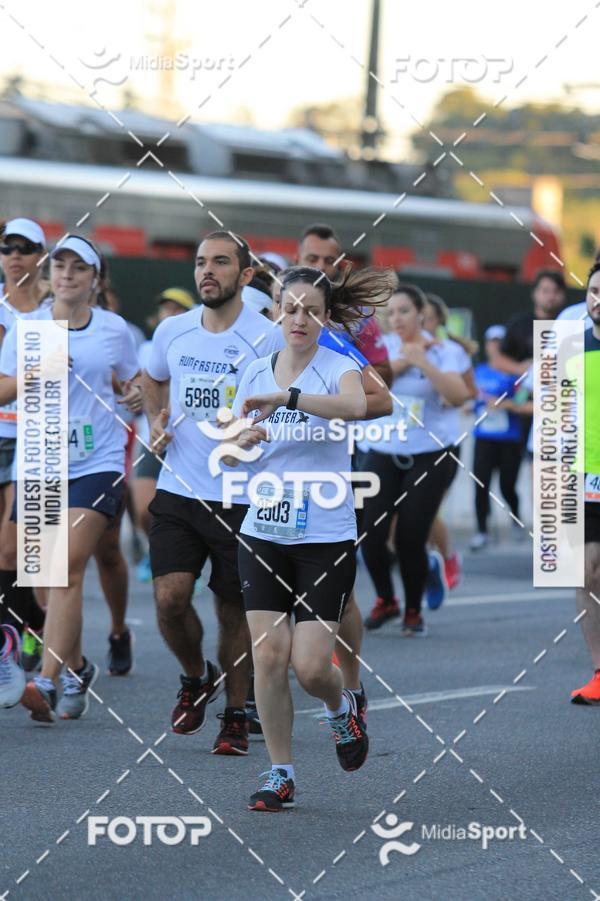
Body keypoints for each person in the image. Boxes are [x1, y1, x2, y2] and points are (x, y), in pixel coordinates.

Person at [225, 264, 394, 811]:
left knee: (310, 667)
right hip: (264, 531)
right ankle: (280, 772)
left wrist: (288, 400)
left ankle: (342, 708)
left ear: (325, 317)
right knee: (269, 658)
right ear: (276, 309)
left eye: (311, 310)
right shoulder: (253, 371)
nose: (299, 318)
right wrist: (244, 440)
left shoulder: (337, 366)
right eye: (290, 307)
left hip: (325, 533)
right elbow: (229, 451)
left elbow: (358, 406)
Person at [143, 231, 284, 756]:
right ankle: (196, 676)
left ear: (245, 276)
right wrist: (156, 418)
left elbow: (290, 404)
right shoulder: (172, 331)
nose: (208, 271)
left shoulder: (266, 337)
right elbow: (153, 377)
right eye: (201, 261)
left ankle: (235, 712)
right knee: (169, 598)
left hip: (244, 495)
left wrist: (265, 431)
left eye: (221, 262)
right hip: (179, 487)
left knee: (233, 612)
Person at [0, 235, 141, 722]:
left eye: (78, 268)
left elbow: (136, 378)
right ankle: (77, 666)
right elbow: (1, 391)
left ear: (95, 280)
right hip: (39, 460)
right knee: (44, 583)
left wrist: (138, 395)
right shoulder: (27, 327)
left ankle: (46, 678)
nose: (65, 274)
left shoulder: (113, 329)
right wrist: (34, 374)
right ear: (48, 273)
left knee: (67, 567)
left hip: (96, 462)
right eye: (58, 265)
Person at [361, 284, 471, 635]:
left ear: (421, 314)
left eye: (404, 311)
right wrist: (407, 358)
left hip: (431, 453)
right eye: (391, 313)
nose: (397, 319)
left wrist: (424, 360)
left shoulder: (445, 351)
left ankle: (412, 610)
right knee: (371, 535)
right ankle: (386, 599)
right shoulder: (383, 348)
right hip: (384, 450)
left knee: (411, 537)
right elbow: (372, 385)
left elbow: (457, 396)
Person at [0, 219, 49, 693]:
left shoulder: (57, 311)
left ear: (41, 256)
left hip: (41, 438)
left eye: (26, 248)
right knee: (7, 549)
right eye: (7, 247)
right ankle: (14, 640)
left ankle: (35, 630)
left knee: (29, 554)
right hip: (1, 433)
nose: (15, 255)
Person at [131, 287, 196, 583]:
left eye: (178, 308)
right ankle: (152, 550)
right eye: (166, 307)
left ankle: (186, 565)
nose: (170, 313)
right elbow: (132, 384)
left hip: (190, 440)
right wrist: (135, 393)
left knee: (191, 511)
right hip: (154, 438)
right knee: (144, 508)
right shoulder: (146, 348)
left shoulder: (196, 344)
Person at [422, 293, 477, 593]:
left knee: (428, 511)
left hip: (442, 442)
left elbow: (470, 390)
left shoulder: (452, 352)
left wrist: (454, 397)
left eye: (428, 318)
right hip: (402, 442)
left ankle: (447, 557)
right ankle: (426, 561)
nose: (423, 324)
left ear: (439, 321)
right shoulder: (402, 350)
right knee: (395, 520)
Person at [297, 223, 392, 386]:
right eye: (312, 259)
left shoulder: (359, 314)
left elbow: (384, 376)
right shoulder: (275, 303)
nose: (320, 266)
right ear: (296, 259)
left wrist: (339, 382)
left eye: (329, 260)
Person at [469, 325, 528, 551]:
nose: (495, 346)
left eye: (499, 341)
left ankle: (515, 517)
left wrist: (504, 404)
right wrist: (470, 406)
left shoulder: (517, 374)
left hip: (509, 438)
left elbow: (523, 401)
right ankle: (482, 530)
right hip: (483, 437)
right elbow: (471, 398)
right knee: (480, 483)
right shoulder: (479, 371)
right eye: (491, 341)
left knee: (507, 485)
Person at [571, 262, 600, 704]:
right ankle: (598, 671)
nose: (598, 299)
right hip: (586, 474)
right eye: (594, 290)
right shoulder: (571, 342)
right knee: (586, 570)